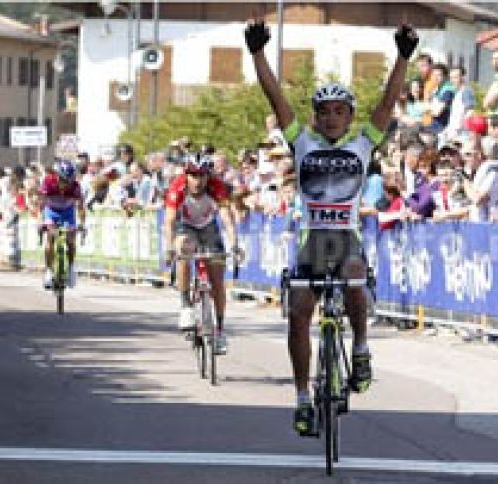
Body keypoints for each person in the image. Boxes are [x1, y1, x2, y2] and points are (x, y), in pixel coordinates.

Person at [246, 18, 417, 435]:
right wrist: (257, 54)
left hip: (345, 240)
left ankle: (360, 349)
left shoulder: (363, 144)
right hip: (312, 243)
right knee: (298, 316)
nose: (331, 117)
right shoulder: (301, 142)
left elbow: (387, 102)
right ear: (315, 117)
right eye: (324, 112)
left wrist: (402, 57)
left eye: (340, 111)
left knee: (355, 275)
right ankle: (303, 399)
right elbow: (276, 98)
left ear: (350, 116)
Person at [163, 154, 238, 355]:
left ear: (208, 176)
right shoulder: (177, 187)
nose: (198, 181)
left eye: (202, 176)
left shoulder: (217, 187)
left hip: (208, 228)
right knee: (183, 249)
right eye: (193, 176)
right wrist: (170, 247)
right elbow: (169, 221)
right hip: (186, 226)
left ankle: (220, 330)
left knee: (217, 281)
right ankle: (186, 306)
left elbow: (227, 218)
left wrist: (235, 244)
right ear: (186, 175)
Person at [38, 160, 85, 289]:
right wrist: (40, 220)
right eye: (63, 180)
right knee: (51, 237)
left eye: (68, 181)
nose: (65, 184)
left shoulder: (75, 187)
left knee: (70, 240)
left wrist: (82, 223)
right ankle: (49, 270)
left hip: (68, 212)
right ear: (57, 176)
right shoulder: (48, 182)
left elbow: (81, 207)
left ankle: (71, 268)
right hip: (51, 211)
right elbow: (41, 203)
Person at [440, 66, 476, 142]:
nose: (452, 80)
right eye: (451, 78)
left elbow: (470, 112)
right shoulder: (457, 92)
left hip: (461, 134)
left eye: (455, 77)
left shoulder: (466, 91)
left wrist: (459, 130)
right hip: (453, 132)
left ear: (463, 77)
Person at [425, 63, 454, 134]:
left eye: (439, 75)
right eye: (433, 75)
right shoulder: (437, 89)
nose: (435, 78)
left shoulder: (447, 91)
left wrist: (427, 108)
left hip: (442, 129)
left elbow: (437, 112)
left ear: (445, 77)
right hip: (434, 126)